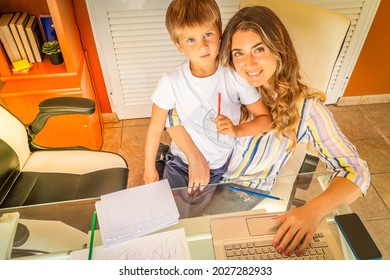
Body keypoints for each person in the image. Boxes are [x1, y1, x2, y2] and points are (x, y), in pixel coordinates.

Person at [168, 5, 370, 256]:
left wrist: (313, 210)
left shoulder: (307, 110)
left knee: (194, 245)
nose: (248, 64)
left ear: (278, 49)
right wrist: (194, 156)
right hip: (200, 171)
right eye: (238, 53)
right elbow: (171, 112)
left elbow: (357, 172)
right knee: (160, 228)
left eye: (259, 49)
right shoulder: (222, 83)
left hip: (238, 191)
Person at [143, 0, 272, 189]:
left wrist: (237, 131)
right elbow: (155, 127)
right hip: (180, 162)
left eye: (208, 34)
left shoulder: (235, 76)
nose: (202, 46)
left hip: (219, 167)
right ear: (178, 44)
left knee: (201, 215)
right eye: (190, 40)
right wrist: (148, 169)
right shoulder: (171, 81)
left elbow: (265, 119)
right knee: (172, 211)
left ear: (219, 30)